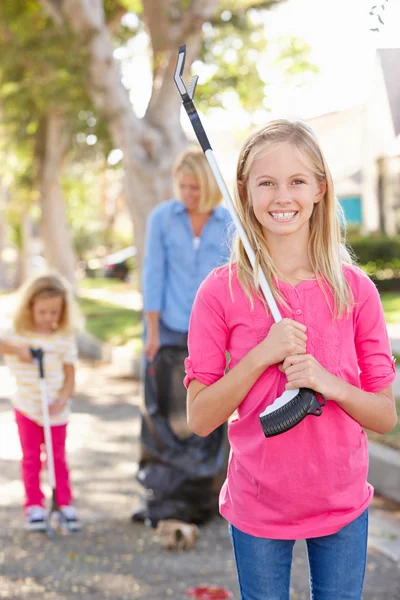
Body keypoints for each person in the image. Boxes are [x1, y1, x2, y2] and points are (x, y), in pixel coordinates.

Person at [184, 120, 397, 599]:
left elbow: (385, 416)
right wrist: (263, 354)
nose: (283, 196)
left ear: (320, 189)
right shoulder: (220, 292)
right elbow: (200, 418)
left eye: (297, 180)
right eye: (267, 182)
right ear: (245, 192)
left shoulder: (355, 291)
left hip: (342, 499)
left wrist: (330, 383)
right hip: (258, 501)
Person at [133, 146, 232, 526]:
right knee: (162, 415)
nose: (189, 194)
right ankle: (161, 493)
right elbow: (153, 273)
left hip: (209, 332)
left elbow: (231, 280)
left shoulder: (227, 223)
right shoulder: (163, 218)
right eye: (183, 187)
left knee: (207, 413)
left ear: (209, 187)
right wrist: (153, 331)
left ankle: (207, 495)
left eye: (196, 188)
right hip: (169, 327)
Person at [0, 273, 82, 532]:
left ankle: (64, 503)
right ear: (30, 307)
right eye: (42, 311)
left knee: (57, 457)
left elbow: (70, 375)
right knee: (31, 458)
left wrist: (63, 398)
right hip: (27, 407)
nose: (48, 318)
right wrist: (17, 350)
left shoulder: (63, 338)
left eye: (54, 312)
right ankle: (33, 505)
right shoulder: (17, 334)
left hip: (55, 411)